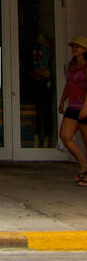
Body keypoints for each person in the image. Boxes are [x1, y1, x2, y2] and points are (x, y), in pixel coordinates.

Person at [58, 36, 87, 183]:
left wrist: (85, 108)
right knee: (65, 135)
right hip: (72, 106)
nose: (75, 49)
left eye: (78, 46)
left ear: (84, 50)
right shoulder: (72, 64)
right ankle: (83, 165)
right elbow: (68, 84)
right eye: (73, 46)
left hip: (84, 107)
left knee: (85, 138)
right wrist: (62, 100)